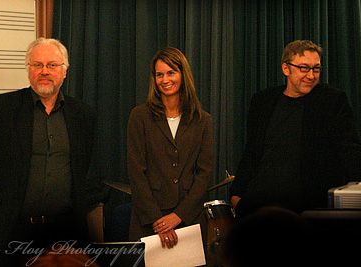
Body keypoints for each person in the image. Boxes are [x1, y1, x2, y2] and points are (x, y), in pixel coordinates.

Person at [0, 38, 102, 266]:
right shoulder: (2, 108)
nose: (44, 71)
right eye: (37, 65)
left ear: (65, 72)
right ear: (29, 70)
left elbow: (85, 167)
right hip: (11, 231)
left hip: (65, 232)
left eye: (52, 65)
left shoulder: (83, 114)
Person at [230, 40, 361, 218]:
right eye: (304, 68)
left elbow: (350, 150)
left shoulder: (331, 101)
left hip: (308, 209)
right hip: (260, 206)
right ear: (286, 69)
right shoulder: (263, 101)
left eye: (316, 69)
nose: (311, 75)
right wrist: (236, 196)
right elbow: (252, 152)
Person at [127, 47, 213, 249]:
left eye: (171, 73)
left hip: (188, 219)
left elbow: (204, 173)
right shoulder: (140, 116)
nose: (165, 80)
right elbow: (136, 172)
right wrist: (160, 221)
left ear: (183, 75)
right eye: (159, 74)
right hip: (149, 221)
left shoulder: (203, 120)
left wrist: (178, 216)